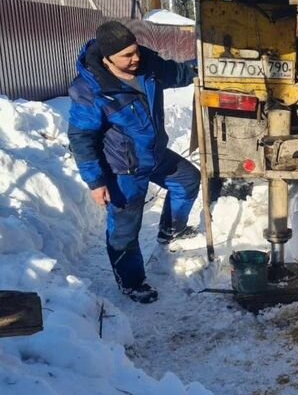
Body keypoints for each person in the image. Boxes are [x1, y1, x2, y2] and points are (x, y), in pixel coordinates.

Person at [68, 21, 199, 304]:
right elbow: (81, 137)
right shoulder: (91, 89)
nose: (135, 58)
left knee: (188, 180)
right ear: (107, 58)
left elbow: (179, 73)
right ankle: (131, 282)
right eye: (126, 55)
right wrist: (96, 181)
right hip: (123, 167)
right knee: (125, 228)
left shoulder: (148, 65)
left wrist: (208, 65)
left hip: (155, 154)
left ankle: (171, 229)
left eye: (135, 50)